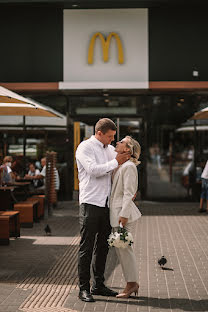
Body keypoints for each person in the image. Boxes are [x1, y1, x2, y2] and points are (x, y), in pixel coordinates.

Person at [75, 118, 131, 303]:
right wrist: (115, 162)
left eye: (114, 137)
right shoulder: (85, 147)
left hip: (107, 204)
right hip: (90, 203)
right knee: (87, 247)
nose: (112, 140)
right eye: (110, 136)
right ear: (99, 133)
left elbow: (115, 171)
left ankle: (98, 284)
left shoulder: (109, 150)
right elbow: (93, 170)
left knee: (103, 247)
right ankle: (83, 288)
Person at [110, 136, 141, 298]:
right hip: (118, 214)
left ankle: (132, 284)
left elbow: (129, 193)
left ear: (128, 150)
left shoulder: (129, 167)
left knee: (125, 250)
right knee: (122, 250)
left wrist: (123, 215)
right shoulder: (122, 165)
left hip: (123, 215)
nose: (117, 142)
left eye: (121, 142)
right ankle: (131, 283)